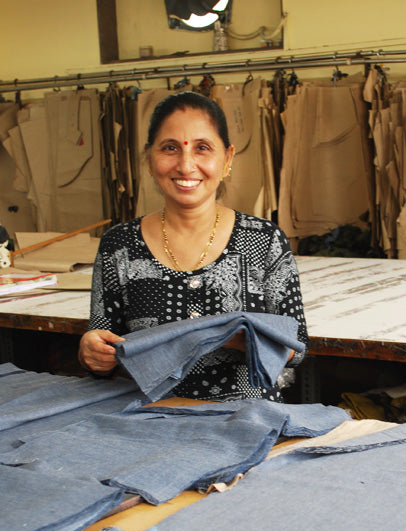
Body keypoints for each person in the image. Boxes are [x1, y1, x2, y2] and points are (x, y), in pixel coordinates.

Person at [79, 91, 308, 402]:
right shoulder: (119, 245)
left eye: (202, 148)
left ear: (227, 159)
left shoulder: (263, 240)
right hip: (151, 416)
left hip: (247, 417)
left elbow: (296, 348)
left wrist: (236, 337)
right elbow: (102, 346)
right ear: (149, 158)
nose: (186, 165)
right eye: (170, 148)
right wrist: (92, 353)